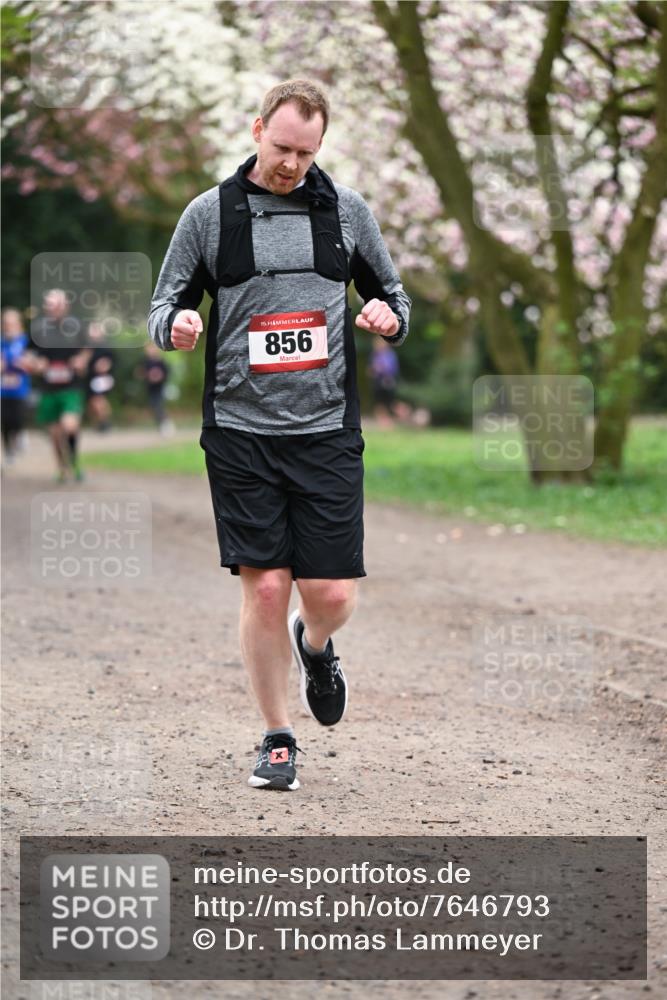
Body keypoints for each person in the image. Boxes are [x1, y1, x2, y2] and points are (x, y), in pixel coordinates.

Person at [148, 79, 410, 791]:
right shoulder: (210, 215)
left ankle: (314, 644)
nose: (292, 163)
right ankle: (277, 737)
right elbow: (164, 304)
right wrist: (177, 325)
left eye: (306, 152)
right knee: (266, 588)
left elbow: (393, 295)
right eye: (282, 147)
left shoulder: (345, 211)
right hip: (240, 430)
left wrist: (388, 317)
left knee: (330, 595)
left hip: (325, 430)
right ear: (257, 128)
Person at [27, 289, 91, 482]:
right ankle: (62, 467)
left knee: (70, 426)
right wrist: (36, 364)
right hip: (48, 388)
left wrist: (82, 360)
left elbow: (87, 348)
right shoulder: (38, 329)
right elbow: (28, 353)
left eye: (57, 305)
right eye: (50, 305)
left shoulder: (76, 326)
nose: (53, 308)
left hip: (71, 386)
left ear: (66, 306)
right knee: (55, 434)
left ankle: (74, 461)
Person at [1, 308, 31, 465]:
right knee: (5, 420)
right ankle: (8, 451)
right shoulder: (1, 342)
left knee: (17, 417)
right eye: (6, 323)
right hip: (3, 388)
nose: (9, 326)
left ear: (19, 324)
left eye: (12, 323)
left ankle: (20, 433)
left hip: (20, 388)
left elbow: (32, 362)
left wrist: (25, 363)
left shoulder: (25, 341)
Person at [136, 342, 173, 435]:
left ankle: (166, 424)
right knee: (153, 406)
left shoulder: (161, 362)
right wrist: (147, 375)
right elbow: (139, 373)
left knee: (158, 405)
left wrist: (158, 376)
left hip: (159, 388)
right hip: (150, 388)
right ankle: (160, 425)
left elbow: (166, 374)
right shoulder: (145, 362)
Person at [86, 322, 116, 432]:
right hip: (91, 378)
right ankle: (99, 423)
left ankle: (105, 423)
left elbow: (111, 362)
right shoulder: (88, 347)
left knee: (99, 400)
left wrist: (105, 365)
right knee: (93, 403)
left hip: (101, 379)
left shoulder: (104, 347)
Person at [368, 336, 400, 427]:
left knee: (390, 402)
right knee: (379, 402)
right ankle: (382, 422)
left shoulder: (390, 355)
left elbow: (394, 369)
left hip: (388, 381)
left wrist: (383, 370)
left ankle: (391, 420)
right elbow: (370, 370)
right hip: (377, 382)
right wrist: (374, 370)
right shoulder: (374, 355)